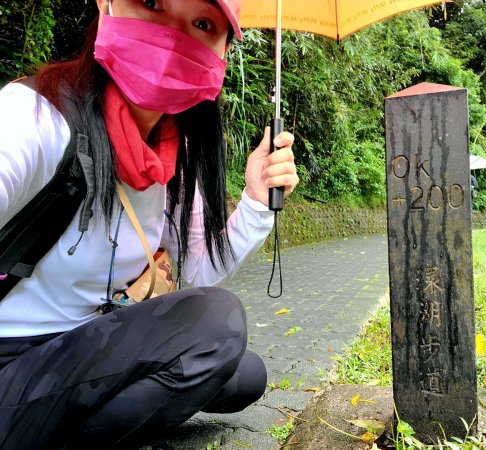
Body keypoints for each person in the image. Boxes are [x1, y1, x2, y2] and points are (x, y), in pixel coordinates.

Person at [0, 0, 299, 448]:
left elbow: (197, 272)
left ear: (221, 53)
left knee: (243, 373)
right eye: (152, 3)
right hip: (12, 357)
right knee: (218, 325)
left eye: (202, 23)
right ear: (106, 5)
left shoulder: (171, 159)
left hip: (86, 346)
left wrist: (256, 202)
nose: (173, 35)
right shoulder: (35, 116)